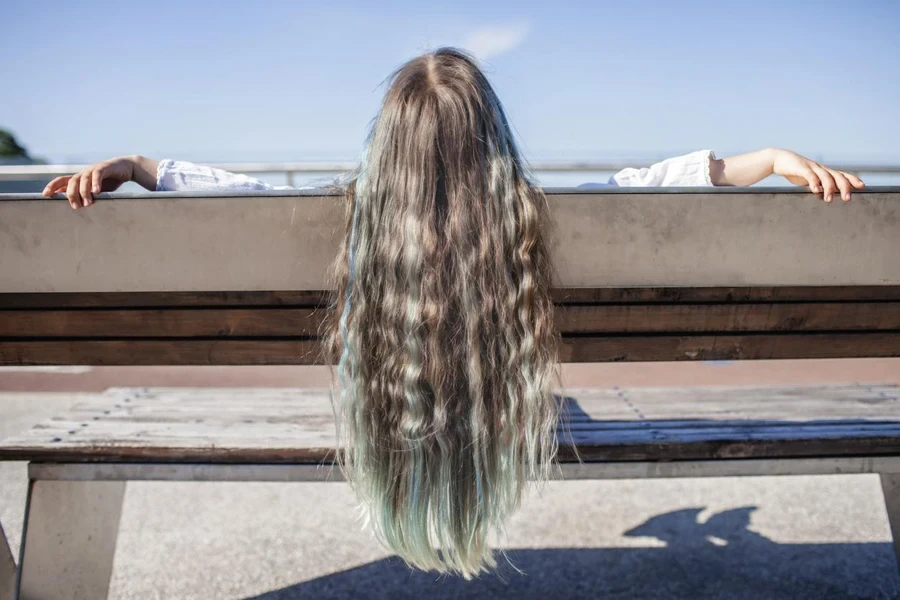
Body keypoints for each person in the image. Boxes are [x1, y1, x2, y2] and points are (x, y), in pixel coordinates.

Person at [40, 48, 865, 579]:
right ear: (497, 143)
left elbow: (226, 190)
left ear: (386, 147)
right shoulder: (541, 216)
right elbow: (663, 182)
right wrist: (771, 159)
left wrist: (135, 165)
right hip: (498, 425)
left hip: (390, 423)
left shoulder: (346, 219)